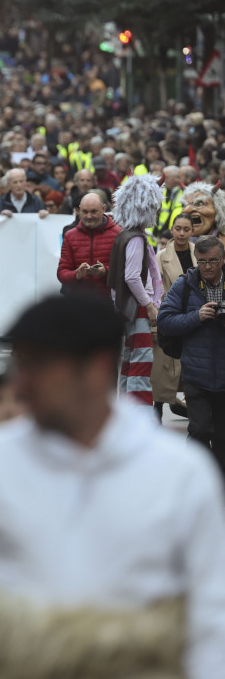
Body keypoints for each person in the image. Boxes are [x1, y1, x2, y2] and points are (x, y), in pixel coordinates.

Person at [0, 294, 225, 679]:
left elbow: (211, 626)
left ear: (95, 370)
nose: (21, 382)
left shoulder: (179, 473)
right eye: (20, 364)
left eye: (37, 365)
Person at [157, 235, 225, 476]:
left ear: (223, 259)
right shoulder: (185, 284)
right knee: (200, 431)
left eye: (213, 261)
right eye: (203, 261)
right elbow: (164, 321)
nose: (207, 267)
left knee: (222, 436)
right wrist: (197, 316)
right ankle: (194, 480)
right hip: (196, 373)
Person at [107, 174, 164, 407]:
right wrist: (149, 305)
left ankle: (126, 410)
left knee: (130, 363)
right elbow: (131, 277)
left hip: (128, 307)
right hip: (138, 308)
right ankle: (138, 413)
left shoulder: (125, 234)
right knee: (141, 363)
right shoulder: (135, 238)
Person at [153, 212, 194, 421]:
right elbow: (156, 287)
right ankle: (157, 408)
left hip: (195, 315)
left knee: (192, 363)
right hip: (170, 315)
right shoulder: (161, 256)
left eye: (186, 229)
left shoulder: (199, 252)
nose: (182, 233)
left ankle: (194, 408)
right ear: (172, 229)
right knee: (164, 365)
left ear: (192, 231)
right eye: (178, 228)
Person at [56, 191, 120, 300]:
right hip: (78, 302)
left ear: (104, 209)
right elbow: (62, 273)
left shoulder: (118, 234)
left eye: (93, 211)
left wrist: (106, 272)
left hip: (109, 303)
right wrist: (77, 274)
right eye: (85, 212)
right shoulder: (70, 236)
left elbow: (127, 272)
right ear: (79, 210)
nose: (89, 216)